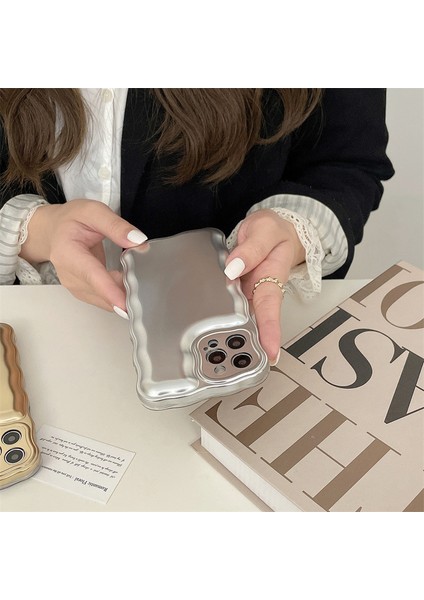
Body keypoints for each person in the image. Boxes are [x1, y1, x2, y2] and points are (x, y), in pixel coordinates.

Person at [0, 89, 394, 365]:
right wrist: (30, 230)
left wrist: (292, 229)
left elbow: (346, 163)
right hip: (29, 336)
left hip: (238, 328)